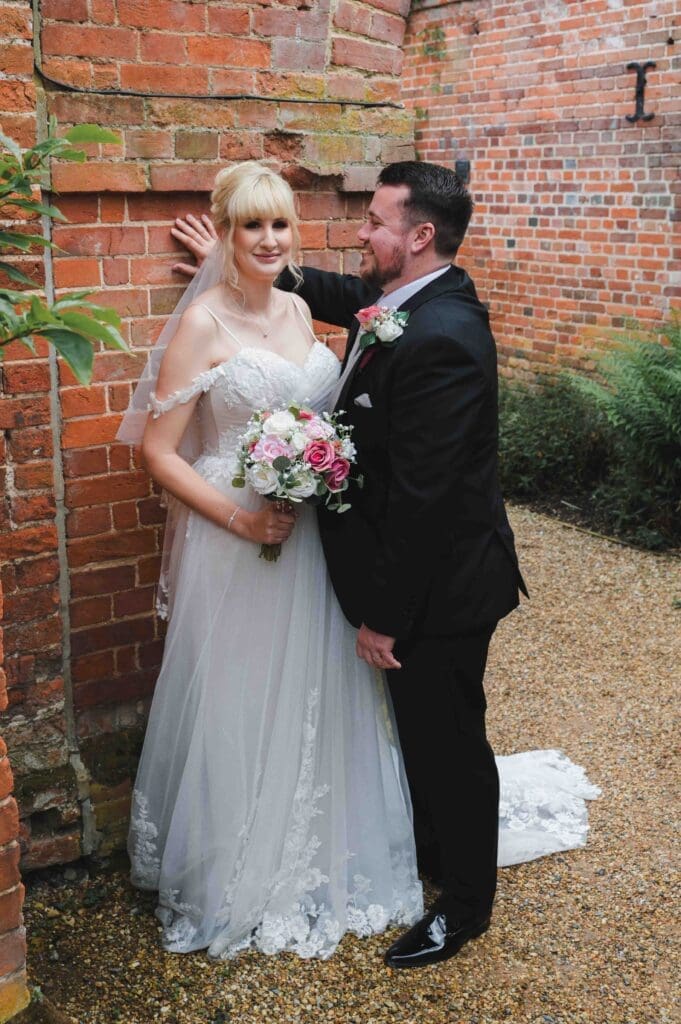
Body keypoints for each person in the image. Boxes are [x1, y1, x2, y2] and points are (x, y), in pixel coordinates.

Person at [169, 160, 600, 968]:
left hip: (442, 591)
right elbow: (342, 299)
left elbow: (424, 500)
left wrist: (382, 618)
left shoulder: (442, 337)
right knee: (421, 735)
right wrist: (244, 264)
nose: (360, 234)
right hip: (418, 579)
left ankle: (465, 906)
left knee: (450, 746)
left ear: (418, 236)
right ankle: (432, 850)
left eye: (373, 222)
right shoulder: (411, 301)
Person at [118, 162, 424, 960]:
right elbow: (158, 452)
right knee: (238, 689)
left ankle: (317, 845)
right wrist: (241, 520)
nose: (267, 239)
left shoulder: (300, 309)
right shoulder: (201, 325)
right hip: (233, 536)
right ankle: (235, 862)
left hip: (310, 535)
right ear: (224, 233)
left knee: (318, 682)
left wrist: (316, 470)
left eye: (279, 224)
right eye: (249, 225)